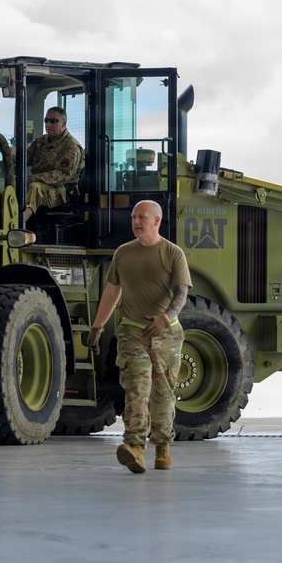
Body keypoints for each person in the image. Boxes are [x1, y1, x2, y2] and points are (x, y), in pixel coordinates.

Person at [87, 200, 192, 473]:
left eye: (141, 217)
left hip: (166, 336)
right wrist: (97, 327)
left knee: (163, 394)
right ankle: (134, 446)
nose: (135, 221)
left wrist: (165, 319)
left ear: (156, 221)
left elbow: (182, 294)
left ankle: (162, 447)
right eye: (134, 217)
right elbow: (112, 292)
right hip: (132, 332)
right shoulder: (123, 253)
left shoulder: (173, 253)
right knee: (136, 389)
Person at [24, 106, 85, 220]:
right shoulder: (41, 141)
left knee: (34, 188)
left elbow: (62, 175)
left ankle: (17, 225)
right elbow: (25, 158)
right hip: (43, 185)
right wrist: (12, 153)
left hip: (62, 191)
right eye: (46, 121)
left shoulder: (71, 147)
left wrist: (32, 179)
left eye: (53, 121)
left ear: (63, 124)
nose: (48, 124)